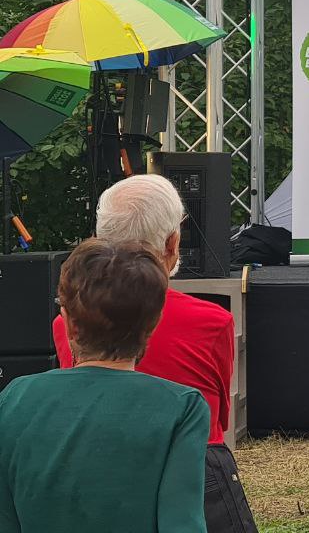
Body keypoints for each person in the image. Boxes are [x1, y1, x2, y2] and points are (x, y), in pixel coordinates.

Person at [52, 174, 256, 533]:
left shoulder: (65, 325)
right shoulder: (212, 322)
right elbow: (218, 421)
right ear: (172, 243)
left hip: (101, 473)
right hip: (195, 476)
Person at [0, 238, 208, 532]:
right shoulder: (182, 407)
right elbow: (182, 523)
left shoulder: (14, 398)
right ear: (154, 323)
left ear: (69, 323)